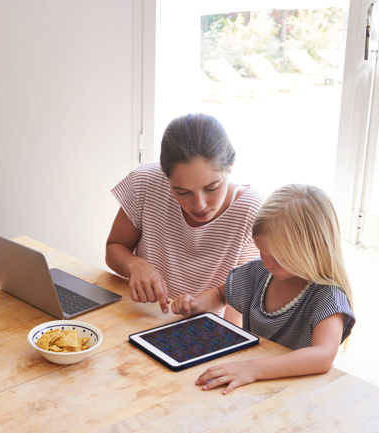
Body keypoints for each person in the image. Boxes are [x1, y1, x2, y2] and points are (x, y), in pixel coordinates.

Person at [171, 184, 356, 395]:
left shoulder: (328, 298)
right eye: (262, 252)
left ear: (311, 250)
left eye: (277, 257)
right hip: (251, 388)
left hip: (295, 394)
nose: (266, 263)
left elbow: (322, 356)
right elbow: (220, 295)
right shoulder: (259, 273)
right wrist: (196, 304)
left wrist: (252, 369)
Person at [106, 113, 263, 324]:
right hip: (136, 316)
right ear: (165, 176)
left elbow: (237, 307)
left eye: (212, 188)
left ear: (230, 167)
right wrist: (135, 265)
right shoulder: (145, 182)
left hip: (202, 330)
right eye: (182, 192)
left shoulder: (251, 211)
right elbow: (114, 247)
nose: (199, 205)